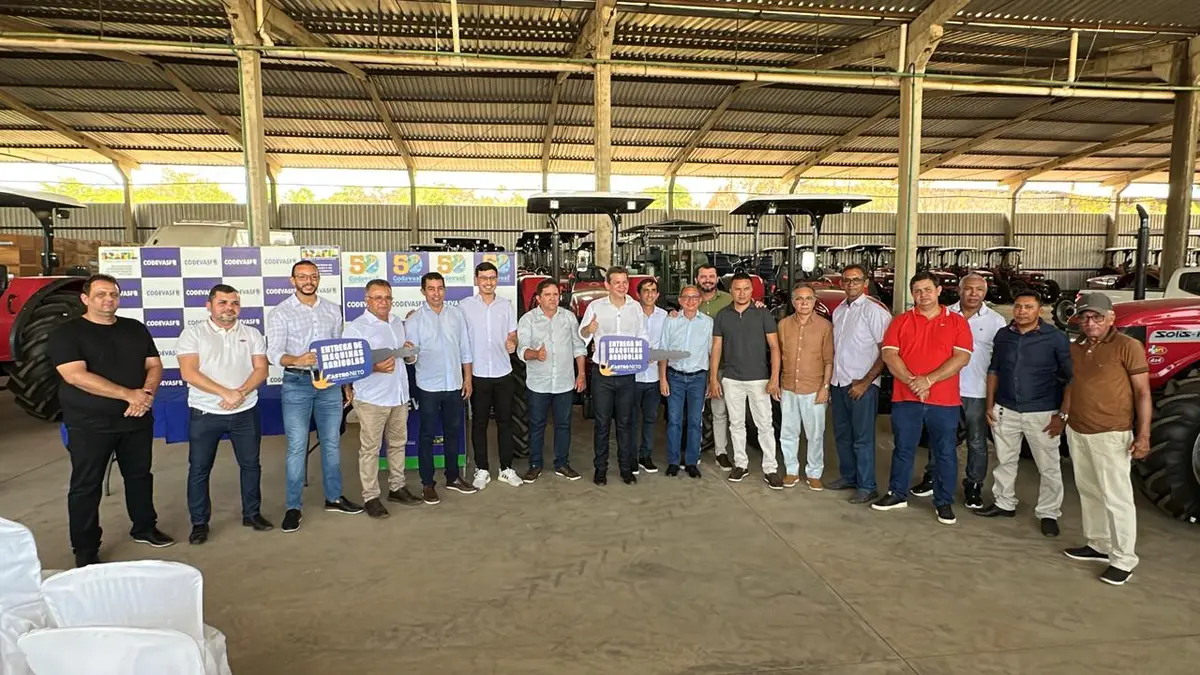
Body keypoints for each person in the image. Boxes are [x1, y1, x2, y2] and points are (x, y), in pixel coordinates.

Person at [49, 274, 174, 566]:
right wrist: (129, 395)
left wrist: (145, 396)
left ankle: (144, 527)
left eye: (113, 295)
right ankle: (85, 547)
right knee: (86, 485)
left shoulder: (134, 328)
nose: (108, 300)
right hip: (90, 423)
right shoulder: (67, 333)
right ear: (85, 299)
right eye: (101, 294)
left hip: (136, 418)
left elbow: (154, 365)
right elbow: (74, 375)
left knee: (140, 476)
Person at [1061, 293, 1150, 586]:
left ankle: (1124, 559)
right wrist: (1064, 416)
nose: (1090, 322)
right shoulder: (1076, 347)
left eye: (1097, 317)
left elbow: (1142, 392)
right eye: (1085, 317)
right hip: (1078, 430)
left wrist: (1144, 435)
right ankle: (1098, 544)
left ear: (1111, 318)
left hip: (1111, 433)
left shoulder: (1128, 346)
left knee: (1117, 498)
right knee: (1089, 491)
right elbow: (1072, 384)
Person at [266, 260, 362, 534]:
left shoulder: (332, 309)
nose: (308, 281)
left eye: (313, 276)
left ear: (318, 279)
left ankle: (334, 497)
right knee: (297, 446)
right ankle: (293, 507)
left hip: (329, 383)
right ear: (292, 280)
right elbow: (273, 353)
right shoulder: (280, 312)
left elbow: (339, 351)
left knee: (331, 443)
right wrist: (296, 359)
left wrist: (345, 383)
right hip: (297, 382)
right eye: (303, 276)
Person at [874, 272, 972, 526]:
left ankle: (943, 501)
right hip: (906, 398)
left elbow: (962, 357)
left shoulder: (957, 322)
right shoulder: (901, 321)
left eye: (928, 289)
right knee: (903, 448)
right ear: (912, 294)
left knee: (945, 452)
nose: (923, 295)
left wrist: (928, 380)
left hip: (944, 401)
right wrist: (914, 383)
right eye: (917, 290)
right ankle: (897, 493)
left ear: (938, 291)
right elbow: (889, 355)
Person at [177, 283, 272, 544]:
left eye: (234, 303)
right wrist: (225, 393)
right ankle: (199, 523)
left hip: (245, 411)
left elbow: (261, 369)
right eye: (223, 302)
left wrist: (240, 393)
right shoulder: (193, 333)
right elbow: (189, 372)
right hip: (205, 412)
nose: (229, 308)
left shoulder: (251, 333)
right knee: (199, 469)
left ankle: (252, 514)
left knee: (251, 465)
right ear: (209, 306)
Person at [976, 289, 1072, 538]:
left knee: (1048, 466)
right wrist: (990, 405)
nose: (1022, 311)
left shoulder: (1055, 338)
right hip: (1006, 409)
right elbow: (994, 370)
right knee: (1005, 460)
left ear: (1040, 310)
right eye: (1018, 306)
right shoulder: (1004, 335)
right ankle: (1004, 502)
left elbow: (1071, 378)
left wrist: (1063, 415)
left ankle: (1048, 513)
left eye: (1028, 307)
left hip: (1042, 412)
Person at [911, 273, 1007, 508]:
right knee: (940, 437)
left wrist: (995, 394)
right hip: (943, 388)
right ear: (959, 290)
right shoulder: (943, 314)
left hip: (977, 391)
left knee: (976, 441)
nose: (973, 294)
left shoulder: (996, 321)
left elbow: (1000, 361)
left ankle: (973, 485)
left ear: (985, 292)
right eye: (968, 289)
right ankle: (933, 477)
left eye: (979, 289)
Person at [343, 279, 422, 519]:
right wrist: (374, 367)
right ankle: (371, 497)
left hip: (398, 395)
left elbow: (405, 359)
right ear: (367, 300)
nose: (383, 302)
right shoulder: (356, 328)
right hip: (372, 398)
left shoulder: (397, 323)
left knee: (398, 444)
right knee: (370, 449)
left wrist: (409, 353)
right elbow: (348, 366)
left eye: (387, 297)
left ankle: (397, 487)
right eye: (378, 297)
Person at [405, 271, 479, 503]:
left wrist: (468, 378)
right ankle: (427, 484)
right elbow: (410, 358)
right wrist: (408, 355)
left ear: (445, 289)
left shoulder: (456, 315)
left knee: (453, 433)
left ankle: (453, 477)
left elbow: (465, 349)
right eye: (431, 289)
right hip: (428, 386)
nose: (436, 293)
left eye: (440, 288)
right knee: (426, 435)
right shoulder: (414, 320)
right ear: (423, 291)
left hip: (454, 384)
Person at [709, 273, 782, 489]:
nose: (742, 293)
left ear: (752, 290)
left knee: (765, 424)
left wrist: (774, 378)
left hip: (760, 379)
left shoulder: (763, 314)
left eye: (746, 289)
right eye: (737, 289)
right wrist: (713, 378)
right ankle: (741, 464)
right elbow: (716, 347)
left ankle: (770, 468)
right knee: (736, 424)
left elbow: (775, 347)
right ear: (731, 291)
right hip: (731, 379)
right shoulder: (722, 315)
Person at [579, 266, 649, 485]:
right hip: (603, 374)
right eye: (617, 282)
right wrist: (589, 329)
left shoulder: (635, 307)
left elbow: (643, 335)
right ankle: (600, 469)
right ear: (607, 285)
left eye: (625, 282)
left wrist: (644, 353)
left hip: (627, 373)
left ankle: (626, 469)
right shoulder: (595, 307)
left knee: (625, 423)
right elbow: (582, 335)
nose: (621, 286)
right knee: (601, 423)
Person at [829, 263, 891, 504]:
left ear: (865, 283)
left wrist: (866, 382)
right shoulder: (839, 311)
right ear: (841, 283)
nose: (851, 284)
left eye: (856, 280)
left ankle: (867, 486)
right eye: (846, 280)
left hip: (862, 385)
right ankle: (849, 477)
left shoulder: (874, 312)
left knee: (862, 438)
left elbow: (885, 351)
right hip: (839, 382)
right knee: (842, 435)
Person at [517, 279, 587, 482]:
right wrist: (535, 354)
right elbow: (522, 349)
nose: (552, 298)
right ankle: (535, 465)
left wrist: (581, 374)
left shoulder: (569, 317)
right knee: (536, 425)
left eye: (555, 294)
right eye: (547, 295)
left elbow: (578, 347)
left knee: (563, 425)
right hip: (538, 383)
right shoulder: (528, 319)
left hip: (564, 381)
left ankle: (562, 463)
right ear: (538, 298)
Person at [459, 262, 521, 489]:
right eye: (484, 278)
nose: (488, 282)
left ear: (497, 280)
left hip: (503, 373)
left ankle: (506, 468)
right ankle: (482, 469)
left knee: (505, 422)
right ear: (476, 280)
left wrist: (513, 342)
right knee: (479, 423)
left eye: (492, 277)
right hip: (478, 374)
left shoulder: (506, 305)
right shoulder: (465, 306)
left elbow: (513, 334)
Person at [776, 283, 833, 490]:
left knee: (815, 434)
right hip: (788, 386)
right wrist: (776, 382)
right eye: (799, 299)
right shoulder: (783, 325)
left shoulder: (825, 326)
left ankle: (814, 472)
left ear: (815, 301)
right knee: (788, 432)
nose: (804, 303)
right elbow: (778, 355)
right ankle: (791, 471)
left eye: (808, 299)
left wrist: (825, 387)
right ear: (793, 302)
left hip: (814, 388)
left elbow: (828, 360)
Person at [658, 285, 712, 477]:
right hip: (675, 377)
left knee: (695, 421)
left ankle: (691, 462)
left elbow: (712, 353)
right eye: (686, 297)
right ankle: (673, 462)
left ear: (700, 300)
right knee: (674, 420)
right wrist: (663, 379)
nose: (690, 301)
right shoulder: (671, 321)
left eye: (694, 297)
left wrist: (711, 380)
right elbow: (663, 351)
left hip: (698, 378)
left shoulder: (708, 323)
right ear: (680, 300)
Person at [696, 264, 734, 469]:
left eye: (711, 276)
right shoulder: (691, 299)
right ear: (697, 279)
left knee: (720, 411)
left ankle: (721, 452)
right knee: (694, 411)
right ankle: (693, 450)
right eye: (703, 276)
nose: (707, 280)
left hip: (722, 364)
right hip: (696, 365)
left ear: (717, 278)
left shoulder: (730, 299)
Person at [633, 277, 668, 475]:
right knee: (629, 419)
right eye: (645, 290)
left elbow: (665, 346)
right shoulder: (630, 314)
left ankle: (645, 455)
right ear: (638, 294)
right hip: (632, 377)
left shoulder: (665, 316)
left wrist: (663, 379)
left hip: (653, 377)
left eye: (653, 290)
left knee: (650, 418)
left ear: (658, 294)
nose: (649, 294)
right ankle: (630, 456)